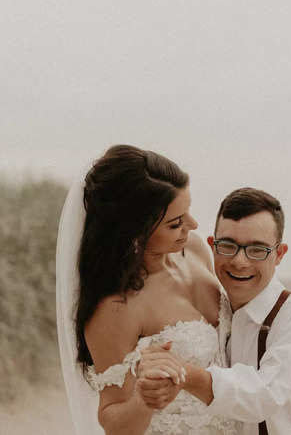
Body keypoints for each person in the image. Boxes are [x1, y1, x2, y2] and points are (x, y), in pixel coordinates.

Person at [56, 144, 240, 435]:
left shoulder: (192, 251)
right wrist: (144, 400)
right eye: (175, 223)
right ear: (133, 232)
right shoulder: (116, 308)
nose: (192, 226)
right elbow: (112, 421)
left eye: (188, 212)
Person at [136, 187, 291, 434]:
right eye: (228, 245)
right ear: (212, 246)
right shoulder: (217, 311)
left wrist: (184, 373)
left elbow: (262, 396)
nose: (239, 261)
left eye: (256, 250)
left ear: (278, 254)